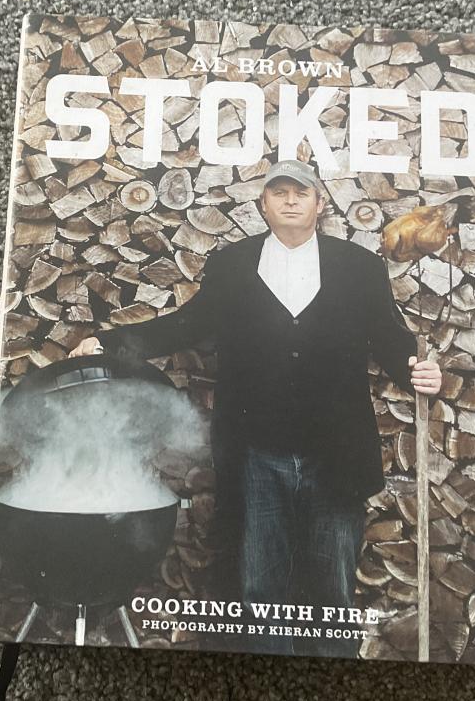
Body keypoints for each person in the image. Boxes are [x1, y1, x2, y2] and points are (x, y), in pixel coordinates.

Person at [68, 159, 442, 657]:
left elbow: (391, 338)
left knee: (332, 590)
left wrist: (418, 369)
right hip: (257, 456)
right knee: (259, 590)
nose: (291, 200)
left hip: (337, 453)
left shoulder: (359, 266)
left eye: (301, 192)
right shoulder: (233, 264)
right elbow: (185, 326)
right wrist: (109, 343)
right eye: (279, 192)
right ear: (262, 204)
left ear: (319, 204)